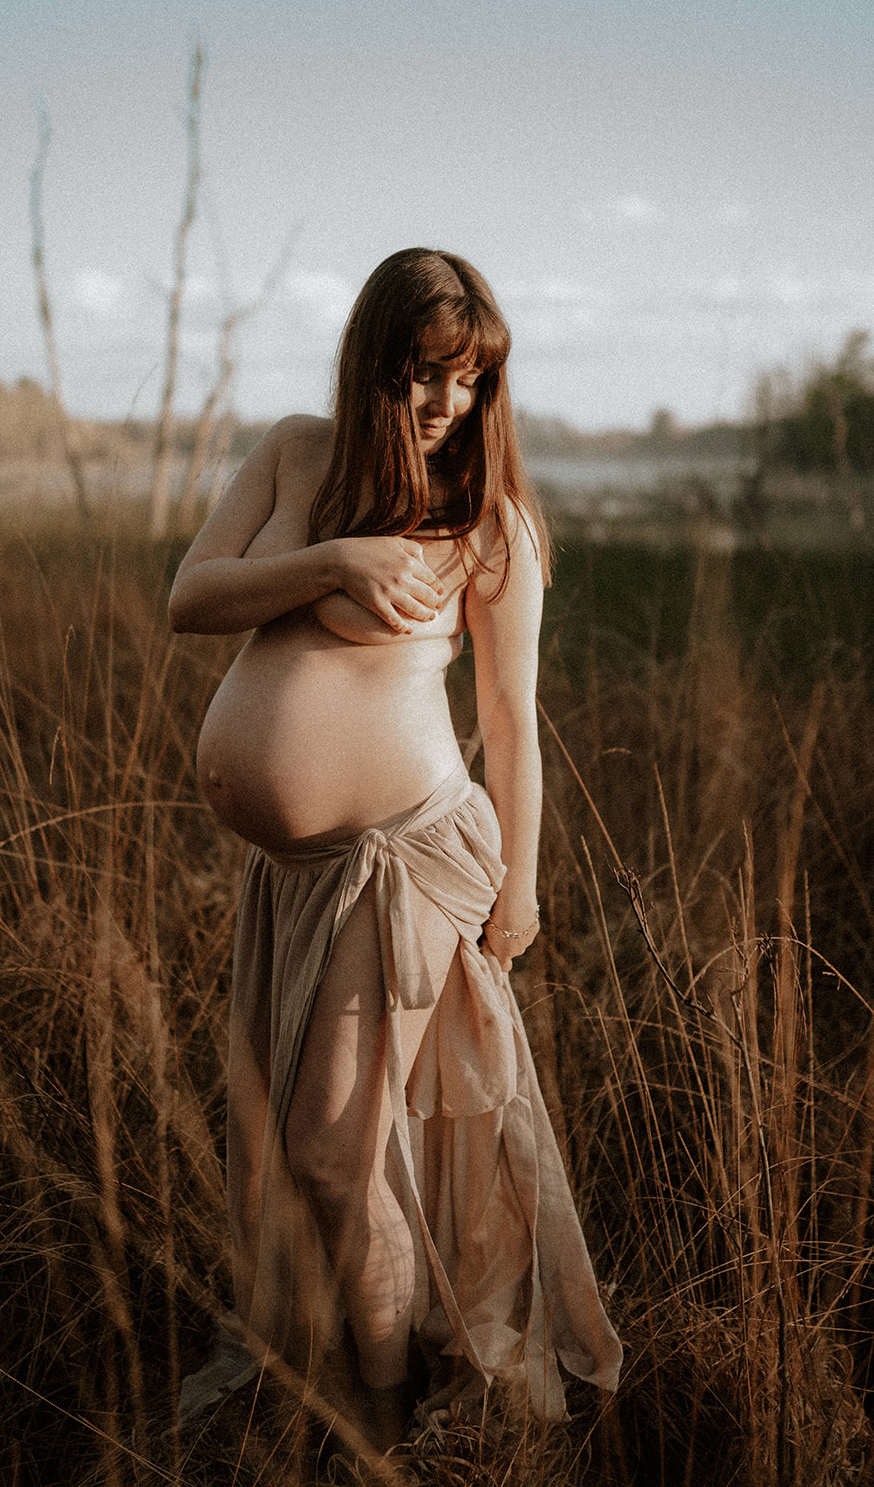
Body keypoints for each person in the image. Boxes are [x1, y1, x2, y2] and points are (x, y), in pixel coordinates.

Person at [168, 248, 622, 1451]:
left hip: (404, 862)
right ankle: (357, 1379)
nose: (445, 403)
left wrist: (521, 890)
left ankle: (374, 1423)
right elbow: (191, 596)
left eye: (469, 381)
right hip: (296, 877)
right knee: (310, 1151)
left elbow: (512, 722)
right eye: (423, 372)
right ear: (371, 360)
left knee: (328, 1151)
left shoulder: (489, 524)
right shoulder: (293, 456)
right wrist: (332, 561)